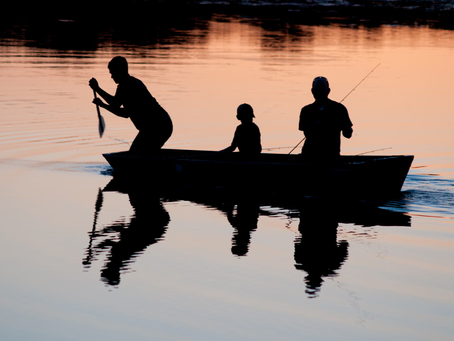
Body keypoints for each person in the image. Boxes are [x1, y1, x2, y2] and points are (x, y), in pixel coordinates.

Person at [89, 56, 173, 154]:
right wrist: (102, 104)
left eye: (112, 73)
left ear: (119, 71)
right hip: (159, 126)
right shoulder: (129, 83)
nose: (111, 76)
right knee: (140, 154)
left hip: (157, 127)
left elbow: (115, 104)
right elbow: (124, 112)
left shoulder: (127, 86)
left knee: (136, 155)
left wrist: (97, 89)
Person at [298, 76, 353, 160]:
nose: (320, 90)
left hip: (331, 156)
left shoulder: (339, 109)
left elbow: (348, 135)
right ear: (312, 91)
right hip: (309, 156)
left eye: (322, 87)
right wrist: (318, 124)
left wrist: (346, 127)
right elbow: (307, 134)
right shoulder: (306, 110)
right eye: (317, 88)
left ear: (328, 91)